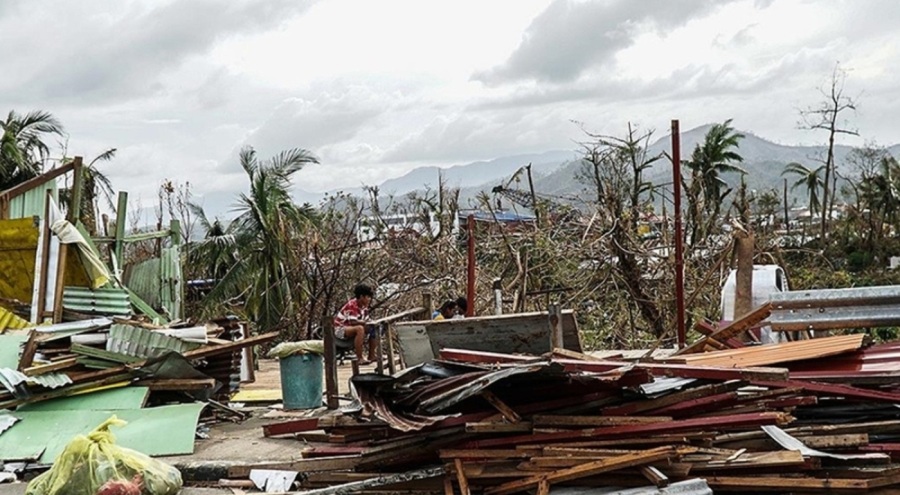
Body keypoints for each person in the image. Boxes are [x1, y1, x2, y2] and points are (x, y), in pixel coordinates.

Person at [334, 284, 376, 365]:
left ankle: (372, 355)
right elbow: (353, 322)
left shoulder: (364, 307)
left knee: (374, 328)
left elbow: (367, 320)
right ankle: (359, 358)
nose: (369, 299)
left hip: (350, 328)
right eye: (368, 297)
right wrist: (365, 323)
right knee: (360, 329)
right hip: (339, 330)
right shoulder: (352, 305)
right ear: (361, 297)